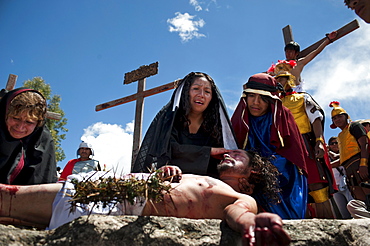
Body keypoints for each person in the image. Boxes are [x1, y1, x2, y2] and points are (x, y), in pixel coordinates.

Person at [0, 149, 291, 246]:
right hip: (108, 185)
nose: (227, 153)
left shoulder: (236, 195)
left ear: (250, 177)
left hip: (120, 207)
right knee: (8, 198)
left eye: (237, 155)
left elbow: (239, 213)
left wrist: (253, 224)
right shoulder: (203, 177)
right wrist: (166, 172)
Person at [231, 73, 308, 219]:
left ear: (271, 101)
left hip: (283, 178)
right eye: (252, 96)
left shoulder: (282, 115)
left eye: (262, 98)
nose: (256, 102)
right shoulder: (240, 117)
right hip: (248, 178)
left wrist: (260, 168)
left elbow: (291, 155)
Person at [132, 72, 237, 178]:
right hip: (171, 180)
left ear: (212, 97)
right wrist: (208, 151)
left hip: (208, 184)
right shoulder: (168, 120)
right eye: (196, 88)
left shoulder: (219, 127)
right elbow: (166, 151)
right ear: (186, 92)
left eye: (207, 91)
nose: (201, 95)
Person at [274, 62, 337, 219]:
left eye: (282, 79)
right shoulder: (273, 103)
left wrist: (319, 141)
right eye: (277, 80)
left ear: (290, 80)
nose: (279, 82)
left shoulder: (303, 97)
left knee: (315, 181)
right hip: (285, 147)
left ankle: (329, 222)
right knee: (292, 184)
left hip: (305, 143)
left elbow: (316, 118)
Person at [0, 88, 57, 185]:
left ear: (38, 123)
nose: (20, 127)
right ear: (5, 114)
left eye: (29, 122)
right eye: (15, 118)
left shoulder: (42, 143)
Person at [329, 101, 370, 204]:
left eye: (339, 116)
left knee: (368, 193)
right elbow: (343, 158)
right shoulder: (340, 136)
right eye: (334, 118)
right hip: (348, 169)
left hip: (359, 164)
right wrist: (327, 166)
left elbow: (364, 145)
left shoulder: (354, 126)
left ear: (346, 116)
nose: (337, 119)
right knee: (361, 201)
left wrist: (363, 164)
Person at [328, 136, 353, 219]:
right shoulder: (327, 158)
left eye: (336, 142)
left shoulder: (344, 153)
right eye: (332, 143)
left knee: (352, 207)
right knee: (343, 212)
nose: (334, 145)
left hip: (347, 184)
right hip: (335, 186)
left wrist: (328, 165)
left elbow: (338, 160)